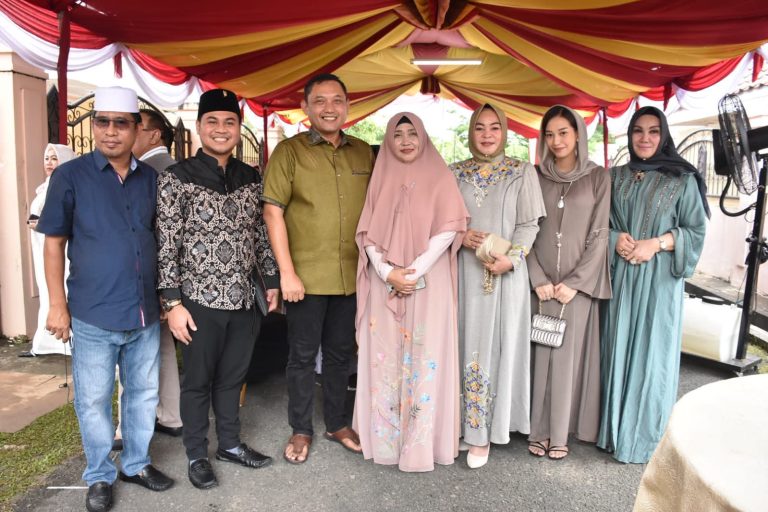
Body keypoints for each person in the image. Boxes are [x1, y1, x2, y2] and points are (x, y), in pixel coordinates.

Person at [37, 86, 174, 512]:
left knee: (143, 393)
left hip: (143, 311)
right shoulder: (70, 176)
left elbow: (160, 241)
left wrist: (165, 298)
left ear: (136, 129)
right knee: (93, 399)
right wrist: (56, 305)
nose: (110, 131)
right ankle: (99, 474)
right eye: (102, 122)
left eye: (121, 123)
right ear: (94, 126)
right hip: (93, 312)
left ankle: (136, 463)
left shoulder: (151, 179)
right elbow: (54, 242)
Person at [156, 89, 279, 489]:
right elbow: (166, 243)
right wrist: (172, 303)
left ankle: (229, 444)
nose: (221, 129)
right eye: (213, 121)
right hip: (197, 300)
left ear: (239, 128)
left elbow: (260, 235)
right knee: (197, 381)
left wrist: (272, 281)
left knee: (232, 378)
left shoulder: (250, 177)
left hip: (243, 299)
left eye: (229, 122)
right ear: (199, 127)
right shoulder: (177, 178)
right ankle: (196, 454)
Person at [263, 73, 373, 464]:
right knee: (303, 357)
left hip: (353, 276)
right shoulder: (289, 152)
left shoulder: (364, 152)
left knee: (342, 354)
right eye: (320, 101)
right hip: (305, 279)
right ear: (306, 107)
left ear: (347, 105)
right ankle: (301, 428)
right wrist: (286, 273)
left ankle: (337, 422)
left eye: (337, 100)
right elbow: (272, 211)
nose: (329, 108)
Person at [353, 113, 468, 472]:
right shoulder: (380, 178)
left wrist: (412, 271)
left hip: (429, 281)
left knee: (424, 353)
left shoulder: (440, 176)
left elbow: (450, 227)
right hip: (385, 279)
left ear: (423, 138)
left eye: (412, 133)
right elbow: (367, 233)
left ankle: (421, 444)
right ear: (388, 140)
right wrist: (387, 272)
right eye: (398, 134)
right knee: (385, 355)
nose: (405, 141)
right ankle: (387, 442)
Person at [597, 106, 708, 464]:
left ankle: (641, 438)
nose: (645, 138)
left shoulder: (682, 179)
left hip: (659, 281)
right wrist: (614, 238)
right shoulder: (614, 177)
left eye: (653, 131)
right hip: (620, 277)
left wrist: (656, 244)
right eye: (638, 131)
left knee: (651, 352)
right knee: (614, 346)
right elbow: (595, 224)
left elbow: (696, 231)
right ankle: (610, 432)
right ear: (630, 135)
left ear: (664, 137)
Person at [450, 103, 546, 469]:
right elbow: (442, 222)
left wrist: (513, 258)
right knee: (463, 343)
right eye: (480, 128)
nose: (487, 135)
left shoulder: (521, 172)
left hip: (505, 274)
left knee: (496, 347)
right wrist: (461, 237)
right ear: (471, 133)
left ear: (504, 132)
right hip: (464, 272)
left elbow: (529, 224)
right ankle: (465, 425)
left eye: (494, 128)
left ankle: (485, 433)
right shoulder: (454, 172)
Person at [526, 105, 611, 460]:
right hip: (541, 284)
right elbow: (525, 228)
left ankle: (560, 433)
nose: (556, 141)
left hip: (577, 287)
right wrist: (537, 277)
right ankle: (536, 430)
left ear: (578, 134)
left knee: (566, 358)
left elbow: (600, 233)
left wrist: (575, 282)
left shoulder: (597, 177)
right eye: (549, 134)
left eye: (563, 133)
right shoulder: (534, 175)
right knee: (539, 353)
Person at [130, 108, 183, 438]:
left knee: (136, 350)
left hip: (152, 276)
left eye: (136, 127)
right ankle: (171, 414)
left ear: (154, 134)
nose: (128, 133)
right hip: (169, 279)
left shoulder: (149, 171)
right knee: (162, 348)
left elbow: (160, 234)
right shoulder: (175, 168)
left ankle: (139, 420)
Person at [20, 143, 76, 357]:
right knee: (46, 291)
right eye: (47, 158)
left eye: (55, 158)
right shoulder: (46, 186)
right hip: (42, 247)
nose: (49, 163)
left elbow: (64, 218)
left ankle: (66, 341)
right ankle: (46, 343)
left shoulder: (63, 187)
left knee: (61, 290)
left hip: (61, 250)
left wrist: (40, 223)